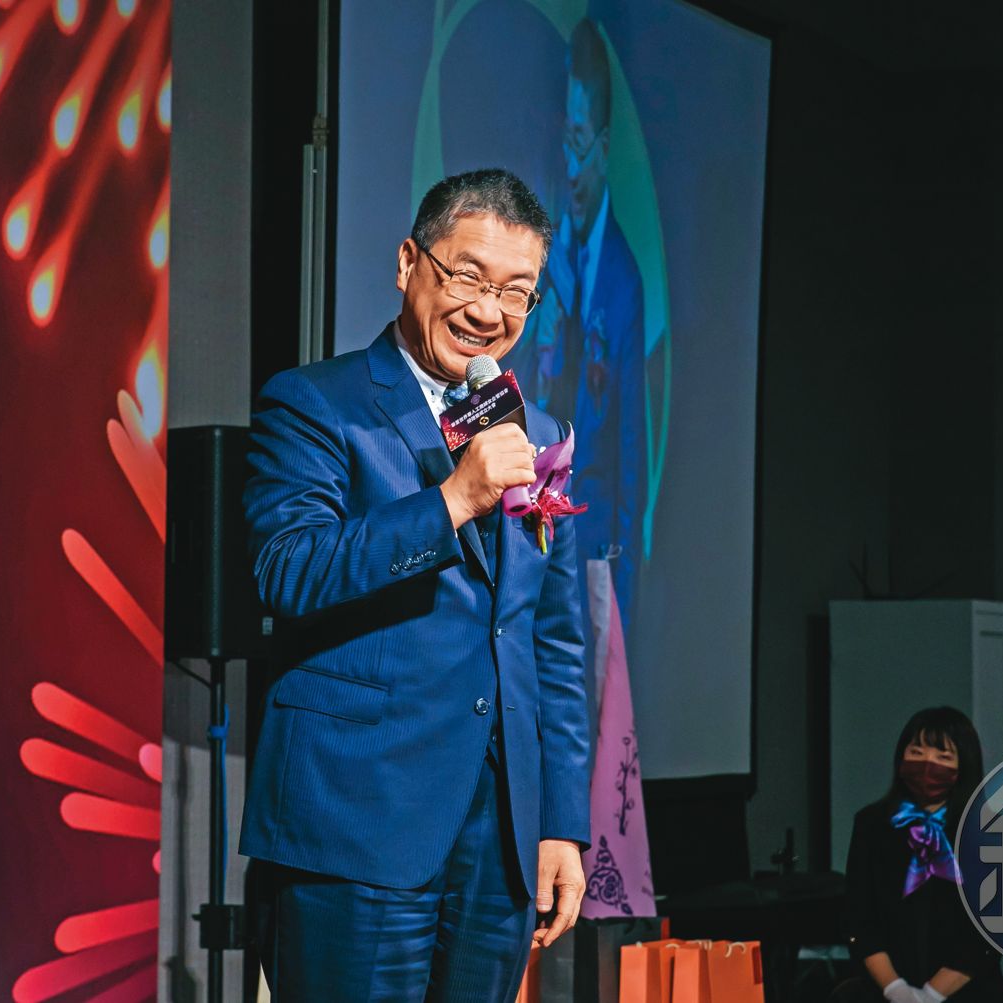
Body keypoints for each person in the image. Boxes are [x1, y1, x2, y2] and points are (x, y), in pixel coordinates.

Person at [240, 168, 592, 1001]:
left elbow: (554, 644)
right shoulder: (316, 402)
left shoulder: (538, 433)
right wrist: (452, 501)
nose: (488, 311)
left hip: (498, 837)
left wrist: (560, 823)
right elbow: (286, 567)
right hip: (358, 815)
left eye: (516, 291)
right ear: (408, 264)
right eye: (468, 276)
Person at [510, 18, 645, 618]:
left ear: (606, 147)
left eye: (581, 144)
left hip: (588, 545)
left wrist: (624, 574)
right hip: (513, 527)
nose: (569, 165)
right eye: (563, 140)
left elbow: (631, 445)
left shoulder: (622, 279)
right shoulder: (535, 257)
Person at [836, 707, 1003, 1003]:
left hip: (969, 993)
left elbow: (991, 930)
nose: (928, 763)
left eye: (943, 756)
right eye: (916, 752)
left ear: (963, 765)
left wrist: (930, 995)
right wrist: (895, 989)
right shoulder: (871, 824)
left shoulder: (990, 829)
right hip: (886, 992)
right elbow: (860, 919)